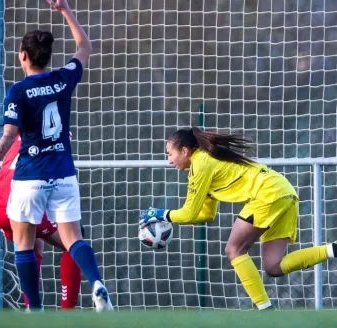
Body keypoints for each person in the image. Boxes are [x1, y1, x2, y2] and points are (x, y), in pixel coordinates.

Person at [0, 0, 112, 312]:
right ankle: (97, 285)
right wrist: (65, 10)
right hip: (64, 173)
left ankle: (34, 312)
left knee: (24, 244)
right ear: (48, 56)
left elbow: (8, 137)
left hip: (30, 177)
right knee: (73, 239)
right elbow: (84, 46)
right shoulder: (64, 79)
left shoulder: (18, 91)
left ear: (22, 55)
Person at [139, 127, 337, 311]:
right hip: (282, 192)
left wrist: (159, 214)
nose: (169, 161)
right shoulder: (204, 163)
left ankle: (264, 310)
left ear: (184, 151)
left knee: (234, 249)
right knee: (273, 266)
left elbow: (189, 213)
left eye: (170, 154)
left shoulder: (201, 164)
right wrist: (165, 215)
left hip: (267, 194)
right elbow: (205, 214)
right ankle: (333, 249)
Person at [0, 135, 82, 309]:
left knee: (32, 243)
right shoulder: (53, 133)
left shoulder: (14, 135)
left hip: (0, 207)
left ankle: (31, 308)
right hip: (22, 202)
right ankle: (68, 311)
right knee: (73, 242)